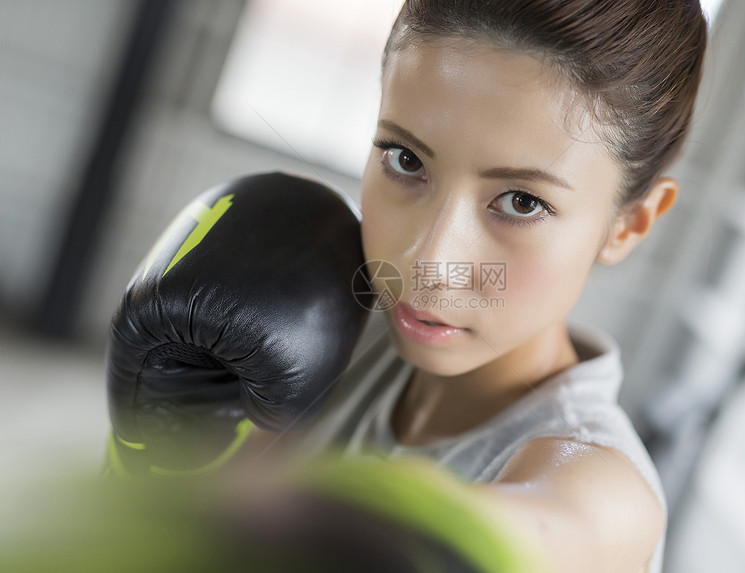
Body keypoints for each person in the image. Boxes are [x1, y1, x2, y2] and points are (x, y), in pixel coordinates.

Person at [251, 1, 709, 572]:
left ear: (628, 225)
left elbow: (537, 533)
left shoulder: (604, 493)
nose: (431, 264)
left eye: (522, 202)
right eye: (407, 159)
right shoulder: (331, 334)